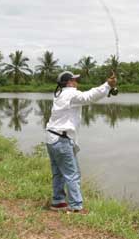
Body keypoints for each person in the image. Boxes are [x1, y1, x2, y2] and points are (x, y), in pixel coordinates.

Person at [45, 70, 117, 214]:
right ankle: (75, 207)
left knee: (58, 173)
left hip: (52, 138)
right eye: (75, 80)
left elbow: (86, 97)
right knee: (73, 174)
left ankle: (58, 202)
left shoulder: (60, 94)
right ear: (69, 82)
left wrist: (107, 88)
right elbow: (89, 96)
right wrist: (107, 85)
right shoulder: (70, 93)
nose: (77, 82)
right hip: (61, 139)